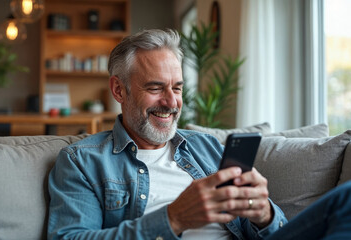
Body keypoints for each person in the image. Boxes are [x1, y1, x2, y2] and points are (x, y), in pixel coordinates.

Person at [48, 29, 351, 240]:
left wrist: (264, 215)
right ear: (119, 90)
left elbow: (268, 228)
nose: (171, 102)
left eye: (177, 88)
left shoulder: (205, 147)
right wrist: (173, 219)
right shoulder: (82, 161)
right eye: (155, 88)